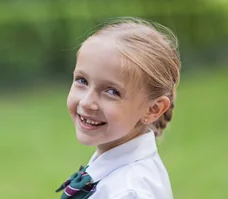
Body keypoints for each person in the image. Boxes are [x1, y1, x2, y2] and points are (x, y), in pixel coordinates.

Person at [55, 17, 180, 199]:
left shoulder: (128, 192)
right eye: (82, 81)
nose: (86, 102)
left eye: (112, 91)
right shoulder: (113, 172)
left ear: (152, 109)